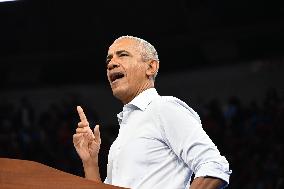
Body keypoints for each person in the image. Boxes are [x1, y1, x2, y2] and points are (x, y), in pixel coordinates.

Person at [73, 36, 232, 189]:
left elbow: (214, 165)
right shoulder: (122, 137)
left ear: (150, 67)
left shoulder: (164, 108)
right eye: (109, 59)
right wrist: (90, 162)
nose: (111, 64)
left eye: (122, 55)